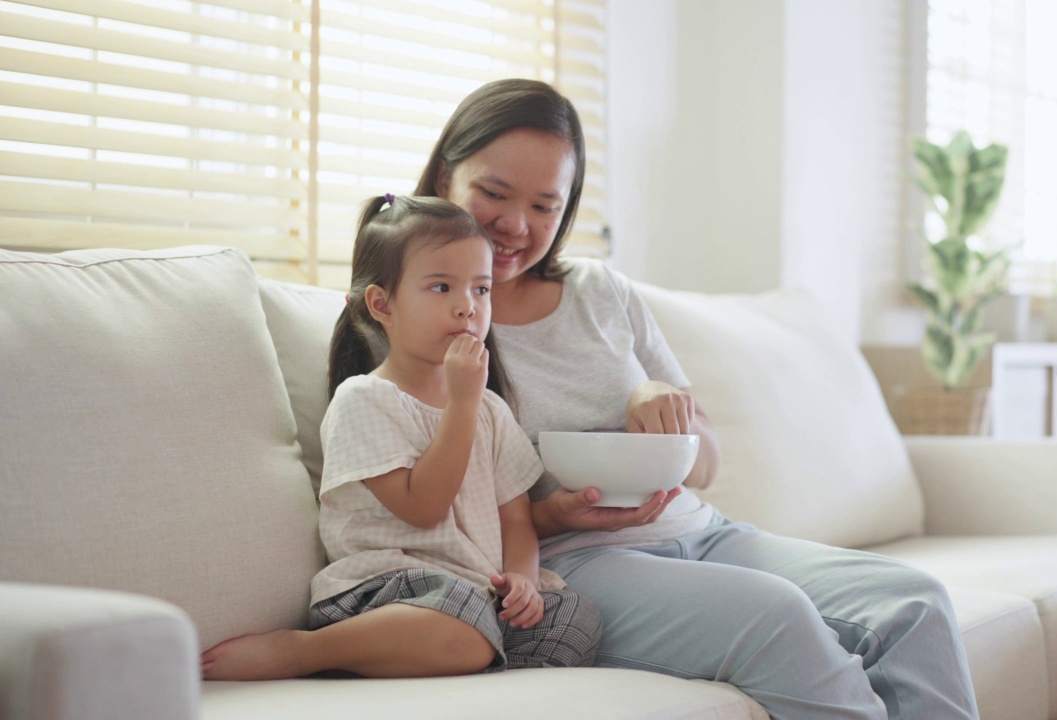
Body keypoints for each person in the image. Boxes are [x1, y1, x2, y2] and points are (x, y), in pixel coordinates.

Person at [411, 78, 982, 720]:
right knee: (777, 615)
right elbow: (431, 511)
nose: (516, 225)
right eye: (493, 193)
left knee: (916, 601)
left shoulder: (602, 292)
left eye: (546, 205)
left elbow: (705, 461)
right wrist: (554, 517)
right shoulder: (420, 315)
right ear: (444, 177)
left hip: (701, 530)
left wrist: (663, 403)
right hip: (573, 565)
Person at [200, 195, 601, 680]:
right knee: (462, 621)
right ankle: (304, 652)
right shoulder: (365, 400)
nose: (467, 308)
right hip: (386, 589)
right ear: (382, 304)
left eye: (481, 289)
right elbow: (423, 506)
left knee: (577, 621)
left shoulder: (490, 409)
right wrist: (463, 404)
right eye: (441, 287)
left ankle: (463, 651)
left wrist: (523, 579)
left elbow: (516, 521)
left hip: (472, 593)